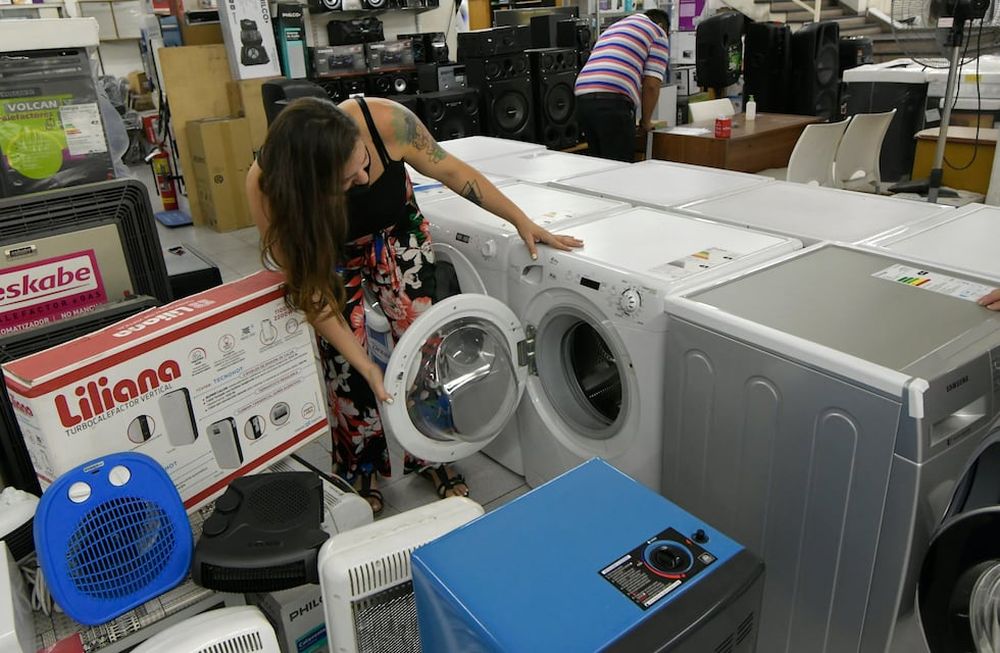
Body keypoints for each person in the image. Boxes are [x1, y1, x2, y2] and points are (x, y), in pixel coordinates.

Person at [246, 96, 582, 513]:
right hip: (329, 248)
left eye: (365, 161)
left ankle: (431, 451)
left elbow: (455, 172)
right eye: (351, 180)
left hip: (396, 231)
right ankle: (359, 466)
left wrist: (521, 220)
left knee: (425, 346)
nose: (366, 176)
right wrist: (368, 365)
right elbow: (313, 296)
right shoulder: (268, 187)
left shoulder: (387, 121)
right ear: (312, 189)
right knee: (344, 369)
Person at [574, 8, 670, 162]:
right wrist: (645, 122)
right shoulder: (658, 32)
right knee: (618, 169)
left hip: (582, 98)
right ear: (661, 25)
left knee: (597, 166)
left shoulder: (613, 28)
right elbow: (651, 85)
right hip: (612, 102)